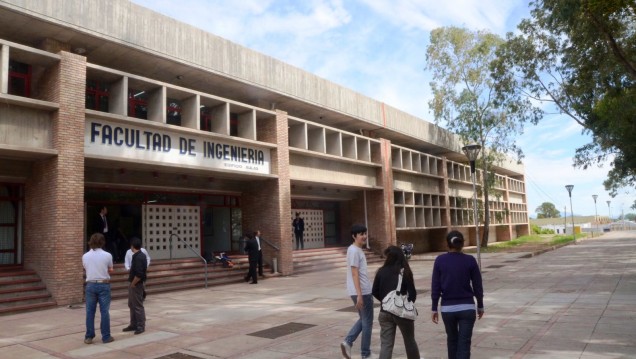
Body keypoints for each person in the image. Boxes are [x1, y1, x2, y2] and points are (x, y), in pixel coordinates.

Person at [431, 230, 484, 359]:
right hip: (467, 308)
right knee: (464, 344)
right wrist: (480, 306)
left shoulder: (440, 260)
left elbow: (435, 286)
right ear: (462, 244)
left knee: (452, 341)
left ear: (447, 244)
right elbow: (477, 286)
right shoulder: (470, 260)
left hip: (447, 309)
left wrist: (434, 308)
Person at [372, 246, 421, 359]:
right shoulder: (405, 271)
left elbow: (374, 291)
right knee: (409, 341)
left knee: (386, 345)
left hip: (384, 312)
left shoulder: (381, 271)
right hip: (401, 312)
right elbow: (412, 294)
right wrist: (404, 303)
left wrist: (387, 302)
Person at [340, 224, 373, 359]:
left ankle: (348, 342)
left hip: (360, 290)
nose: (364, 236)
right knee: (367, 321)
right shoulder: (354, 250)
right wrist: (359, 294)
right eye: (361, 234)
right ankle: (365, 353)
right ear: (354, 236)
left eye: (365, 233)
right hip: (362, 291)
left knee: (364, 319)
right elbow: (355, 273)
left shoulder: (356, 250)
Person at [82, 233, 115, 344]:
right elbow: (110, 269)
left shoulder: (85, 256)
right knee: (104, 311)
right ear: (103, 242)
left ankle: (89, 336)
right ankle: (106, 336)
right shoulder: (107, 255)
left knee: (90, 312)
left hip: (90, 284)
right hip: (103, 284)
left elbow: (86, 269)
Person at [123, 237, 147, 335]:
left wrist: (133, 284)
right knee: (131, 304)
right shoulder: (138, 255)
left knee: (137, 305)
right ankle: (133, 324)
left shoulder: (139, 257)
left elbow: (139, 274)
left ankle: (140, 325)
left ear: (132, 246)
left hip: (136, 284)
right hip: (133, 283)